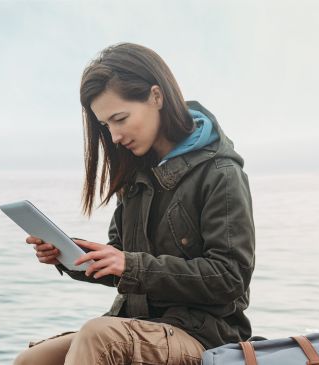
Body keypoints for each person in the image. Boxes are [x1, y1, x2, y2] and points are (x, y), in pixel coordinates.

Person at [13, 42, 256, 365]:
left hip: (205, 335)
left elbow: (230, 278)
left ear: (156, 97)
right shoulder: (138, 176)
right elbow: (119, 261)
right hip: (142, 325)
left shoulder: (220, 173)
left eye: (120, 118)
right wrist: (68, 255)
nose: (113, 136)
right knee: (32, 360)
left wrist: (130, 264)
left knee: (97, 334)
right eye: (105, 125)